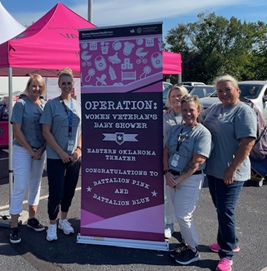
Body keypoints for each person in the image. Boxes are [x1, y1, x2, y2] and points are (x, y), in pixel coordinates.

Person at [202, 75, 257, 271]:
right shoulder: (216, 108)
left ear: (237, 90)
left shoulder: (242, 111)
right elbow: (197, 120)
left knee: (226, 211)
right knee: (221, 209)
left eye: (228, 89)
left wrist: (232, 168)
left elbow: (248, 142)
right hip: (213, 169)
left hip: (231, 172)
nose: (224, 94)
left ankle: (226, 255)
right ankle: (231, 240)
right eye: (220, 91)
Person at [163, 95, 212, 265]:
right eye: (184, 110)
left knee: (184, 215)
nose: (188, 113)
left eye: (191, 110)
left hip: (189, 179)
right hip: (172, 176)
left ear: (198, 110)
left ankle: (193, 250)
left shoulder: (203, 133)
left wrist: (178, 178)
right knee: (178, 213)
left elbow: (197, 161)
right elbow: (166, 150)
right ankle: (186, 243)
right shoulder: (176, 129)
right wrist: (167, 172)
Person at [40, 67, 82, 241]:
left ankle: (63, 220)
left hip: (73, 157)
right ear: (59, 85)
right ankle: (51, 224)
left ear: (73, 84)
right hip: (56, 156)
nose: (66, 86)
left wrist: (79, 149)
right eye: (63, 83)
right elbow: (46, 131)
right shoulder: (51, 105)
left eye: (69, 83)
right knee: (56, 191)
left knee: (69, 190)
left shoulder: (77, 104)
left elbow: (81, 131)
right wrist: (60, 152)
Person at [9, 74, 47, 244]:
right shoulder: (21, 104)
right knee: (20, 186)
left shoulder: (45, 105)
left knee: (35, 185)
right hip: (23, 150)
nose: (36, 89)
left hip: (40, 151)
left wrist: (41, 149)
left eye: (39, 86)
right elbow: (16, 131)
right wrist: (30, 149)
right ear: (28, 86)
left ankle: (32, 219)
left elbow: (49, 131)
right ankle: (14, 226)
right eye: (33, 86)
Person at [163, 85, 188, 239]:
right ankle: (168, 223)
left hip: (185, 161)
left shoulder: (190, 114)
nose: (176, 99)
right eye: (173, 96)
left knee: (184, 197)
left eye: (179, 95)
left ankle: (186, 227)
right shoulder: (165, 115)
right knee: (167, 193)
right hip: (167, 160)